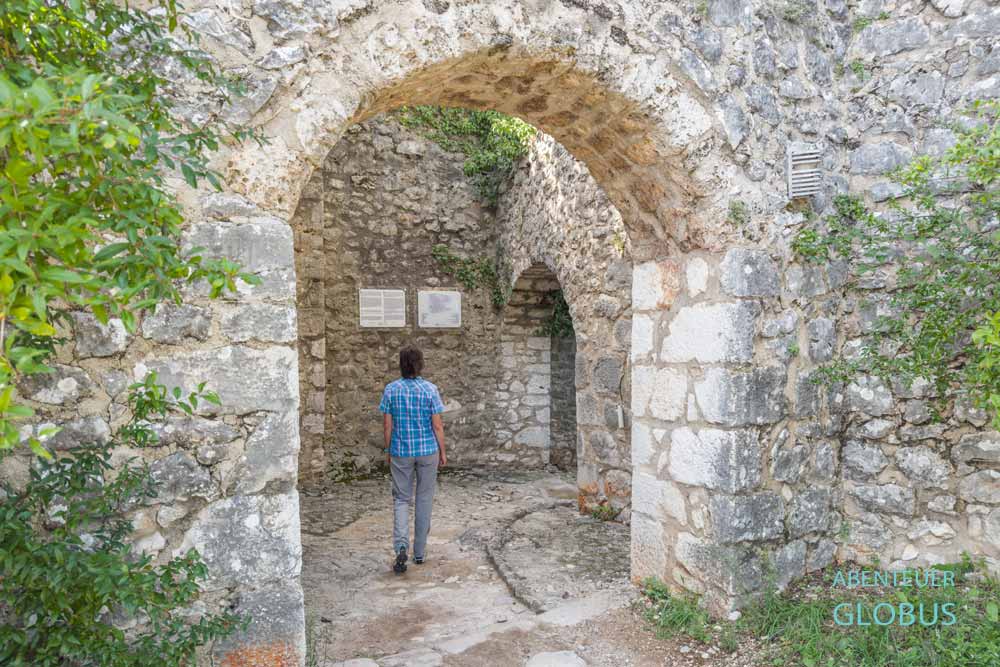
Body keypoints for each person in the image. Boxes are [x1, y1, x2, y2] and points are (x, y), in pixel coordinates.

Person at [378, 345, 447, 574]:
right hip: (428, 450)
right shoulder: (430, 389)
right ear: (420, 364)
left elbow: (388, 425)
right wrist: (443, 452)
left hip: (401, 451)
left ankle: (400, 547)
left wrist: (389, 449)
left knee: (401, 499)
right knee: (424, 498)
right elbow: (437, 425)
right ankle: (419, 552)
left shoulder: (391, 390)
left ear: (401, 364)